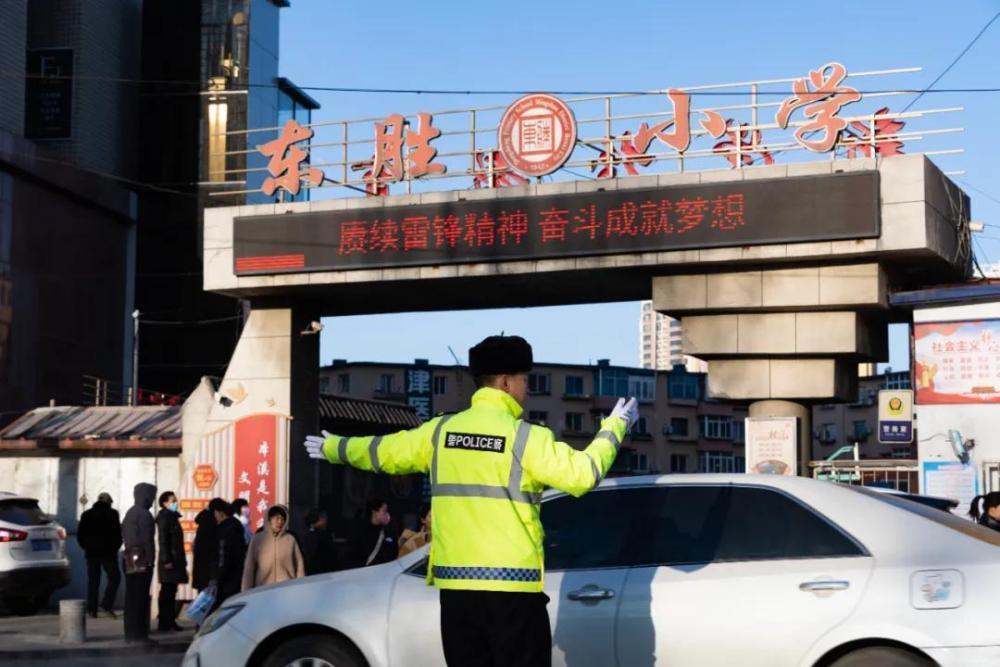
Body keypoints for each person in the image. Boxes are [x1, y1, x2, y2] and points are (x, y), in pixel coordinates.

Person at [305, 335, 637, 667]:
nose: (526, 388)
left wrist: (335, 448)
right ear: (505, 382)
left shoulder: (440, 431)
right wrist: (614, 428)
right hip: (512, 591)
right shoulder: (526, 437)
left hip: (457, 593)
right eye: (524, 380)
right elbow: (582, 474)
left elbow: (385, 451)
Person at [121, 482, 157, 644]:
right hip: (142, 561)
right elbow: (147, 540)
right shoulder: (144, 515)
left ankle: (131, 635)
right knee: (140, 599)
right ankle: (139, 636)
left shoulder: (131, 513)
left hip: (130, 560)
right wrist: (150, 560)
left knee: (132, 599)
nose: (152, 500)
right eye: (151, 496)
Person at [76, 492, 122, 619]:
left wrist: (86, 547)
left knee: (93, 581)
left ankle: (92, 610)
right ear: (108, 502)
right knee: (115, 578)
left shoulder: (86, 514)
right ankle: (106, 605)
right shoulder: (113, 514)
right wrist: (115, 548)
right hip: (108, 553)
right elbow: (118, 534)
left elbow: (80, 534)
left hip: (92, 553)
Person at [241, 505, 305, 591]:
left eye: (283, 519)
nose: (280, 522)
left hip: (287, 589)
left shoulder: (290, 539)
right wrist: (246, 591)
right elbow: (249, 566)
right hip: (263, 590)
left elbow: (299, 564)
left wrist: (300, 588)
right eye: (277, 518)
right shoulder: (257, 539)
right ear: (269, 519)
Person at [155, 491, 187, 632]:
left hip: (175, 560)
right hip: (169, 562)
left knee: (171, 591)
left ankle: (169, 621)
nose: (175, 503)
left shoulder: (172, 517)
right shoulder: (164, 518)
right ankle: (165, 622)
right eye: (173, 501)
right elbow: (163, 541)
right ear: (165, 503)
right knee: (167, 592)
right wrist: (166, 560)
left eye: (175, 500)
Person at [209, 498, 246, 610]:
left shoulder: (225, 530)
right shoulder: (235, 526)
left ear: (219, 512)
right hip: (236, 574)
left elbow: (222, 555)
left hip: (226, 578)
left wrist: (216, 577)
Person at [350, 498, 398, 568]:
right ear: (374, 512)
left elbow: (393, 554)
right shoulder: (360, 530)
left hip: (382, 570)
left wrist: (388, 527)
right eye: (384, 511)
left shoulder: (387, 530)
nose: (387, 514)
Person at [300, 507, 337, 575]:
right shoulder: (317, 535)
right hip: (319, 573)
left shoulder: (312, 534)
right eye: (323, 517)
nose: (326, 520)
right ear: (319, 519)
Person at [191, 507, 218, 595]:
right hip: (209, 568)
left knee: (202, 592)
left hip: (200, 567)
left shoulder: (201, 528)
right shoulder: (212, 527)